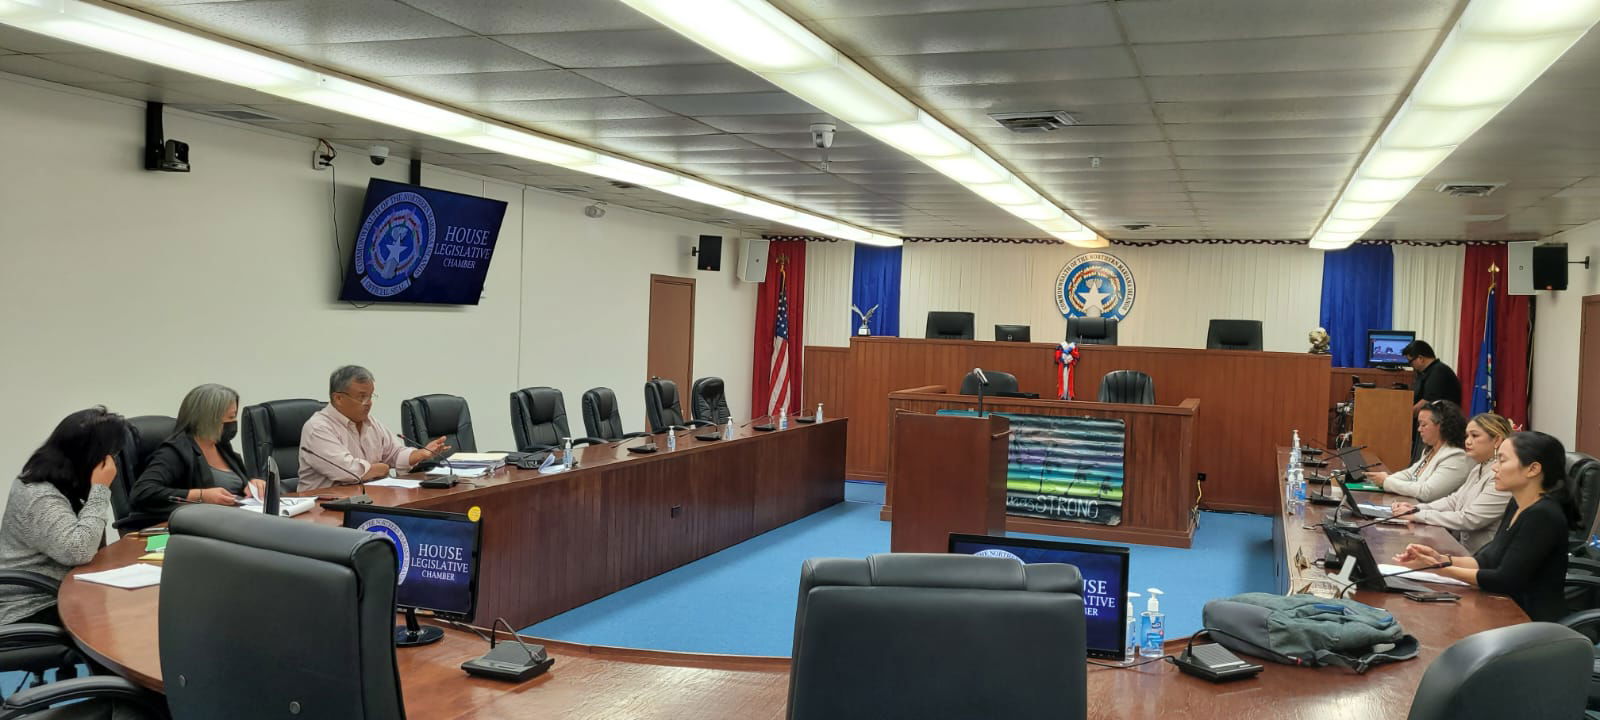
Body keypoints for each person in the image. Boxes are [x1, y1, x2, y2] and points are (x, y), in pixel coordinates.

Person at [1392, 431, 1577, 622]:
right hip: (1503, 608)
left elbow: (1505, 580)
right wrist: (1439, 558)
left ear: (1533, 469)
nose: (1494, 467)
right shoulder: (1517, 504)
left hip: (1531, 620)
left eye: (1502, 461)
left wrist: (1438, 568)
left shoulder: (1543, 515)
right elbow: (1488, 560)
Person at [0, 407, 125, 626]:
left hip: (67, 590)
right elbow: (79, 551)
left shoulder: (64, 480)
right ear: (93, 457)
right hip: (34, 603)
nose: (113, 465)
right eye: (111, 456)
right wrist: (100, 489)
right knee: (125, 618)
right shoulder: (39, 495)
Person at [298, 365, 448, 491]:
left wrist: (420, 454)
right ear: (338, 398)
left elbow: (394, 453)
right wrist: (382, 468)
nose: (368, 403)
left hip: (368, 498)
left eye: (370, 396)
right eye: (362, 397)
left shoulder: (371, 423)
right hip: (322, 508)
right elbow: (349, 472)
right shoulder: (318, 428)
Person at [131, 384, 267, 517]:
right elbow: (143, 492)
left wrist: (253, 486)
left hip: (233, 518)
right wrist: (201, 495)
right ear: (209, 419)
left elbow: (238, 488)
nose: (234, 422)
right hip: (197, 525)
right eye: (231, 417)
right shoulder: (175, 452)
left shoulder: (222, 446)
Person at [1389, 412, 1514, 551]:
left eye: (1475, 436)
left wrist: (1418, 515)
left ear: (1497, 440)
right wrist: (1416, 508)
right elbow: (1454, 501)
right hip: (1464, 550)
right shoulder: (1479, 467)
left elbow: (1470, 519)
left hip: (1482, 557)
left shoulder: (1502, 475)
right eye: (1467, 436)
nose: (1467, 441)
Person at [1368, 400, 1473, 502]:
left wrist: (1387, 482)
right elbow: (1410, 474)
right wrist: (1382, 479)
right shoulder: (1431, 450)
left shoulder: (1456, 457)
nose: (1419, 429)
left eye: (1423, 425)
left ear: (1441, 426)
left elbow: (1427, 493)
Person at [1404, 340, 1460, 461]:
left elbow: (1427, 401)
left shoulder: (1438, 372)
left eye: (1410, 362)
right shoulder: (1426, 372)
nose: (1411, 366)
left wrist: (1404, 417)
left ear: (1420, 358)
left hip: (1441, 428)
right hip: (1431, 425)